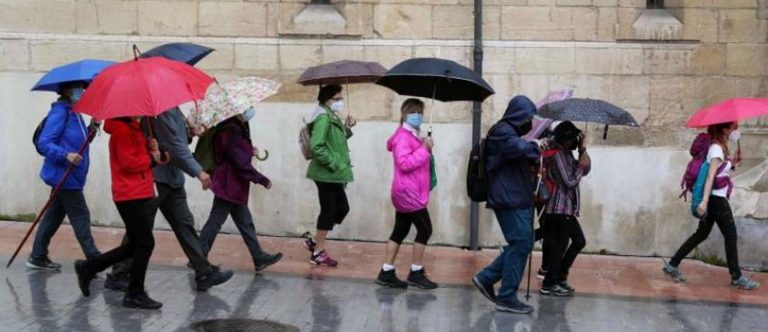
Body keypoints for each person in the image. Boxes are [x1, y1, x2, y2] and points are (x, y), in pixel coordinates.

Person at [105, 107, 234, 292]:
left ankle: (203, 273)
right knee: (142, 230)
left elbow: (179, 141)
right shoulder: (160, 111)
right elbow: (174, 146)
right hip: (159, 179)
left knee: (183, 223)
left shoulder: (173, 109)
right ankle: (118, 273)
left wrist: (189, 133)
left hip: (171, 178)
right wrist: (198, 171)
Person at [74, 117, 164, 310]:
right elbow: (128, 162)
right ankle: (134, 293)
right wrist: (150, 159)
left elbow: (140, 157)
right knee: (146, 243)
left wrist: (152, 149)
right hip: (130, 194)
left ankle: (89, 267)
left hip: (140, 190)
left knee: (134, 245)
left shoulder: (135, 128)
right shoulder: (122, 131)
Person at [663, 122, 759, 290]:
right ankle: (736, 277)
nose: (734, 131)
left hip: (714, 199)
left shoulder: (718, 148)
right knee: (731, 236)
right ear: (724, 129)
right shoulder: (716, 149)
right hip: (716, 200)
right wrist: (705, 201)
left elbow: (720, 172)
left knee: (701, 234)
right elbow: (710, 177)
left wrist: (733, 163)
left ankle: (672, 264)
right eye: (732, 128)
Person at [472, 96, 543, 314]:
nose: (529, 122)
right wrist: (536, 146)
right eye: (528, 117)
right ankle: (507, 296)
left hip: (516, 196)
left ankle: (487, 278)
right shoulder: (501, 132)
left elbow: (522, 154)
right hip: (508, 198)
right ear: (518, 114)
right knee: (520, 243)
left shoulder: (510, 132)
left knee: (523, 242)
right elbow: (521, 150)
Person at [199, 110, 283, 272]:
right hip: (229, 183)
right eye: (248, 107)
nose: (250, 110)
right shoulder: (231, 129)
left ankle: (258, 257)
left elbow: (237, 153)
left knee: (245, 223)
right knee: (215, 222)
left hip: (234, 185)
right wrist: (261, 179)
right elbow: (239, 161)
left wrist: (249, 150)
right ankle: (198, 258)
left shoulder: (237, 126)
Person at [28, 82, 100, 270]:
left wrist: (93, 127)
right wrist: (65, 155)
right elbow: (44, 142)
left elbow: (82, 142)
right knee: (81, 216)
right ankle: (95, 259)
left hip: (72, 175)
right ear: (67, 91)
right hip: (65, 176)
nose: (82, 92)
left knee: (53, 217)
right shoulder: (60, 112)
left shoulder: (74, 113)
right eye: (78, 89)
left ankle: (37, 256)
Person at [375, 99, 438, 290]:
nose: (418, 115)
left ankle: (386, 271)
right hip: (409, 193)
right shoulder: (403, 136)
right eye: (414, 112)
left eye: (420, 112)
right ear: (404, 114)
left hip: (407, 191)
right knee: (425, 229)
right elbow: (404, 163)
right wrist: (425, 149)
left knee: (400, 230)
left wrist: (423, 145)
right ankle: (416, 273)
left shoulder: (411, 134)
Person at [302, 84, 357, 266]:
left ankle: (315, 241)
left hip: (332, 174)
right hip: (326, 173)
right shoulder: (323, 117)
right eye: (337, 99)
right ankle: (318, 252)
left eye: (341, 98)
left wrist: (346, 128)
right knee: (329, 210)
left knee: (342, 209)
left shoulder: (331, 116)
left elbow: (335, 142)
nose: (340, 102)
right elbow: (317, 146)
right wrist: (333, 163)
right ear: (327, 100)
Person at [540, 121, 589, 297]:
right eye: (573, 138)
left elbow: (585, 169)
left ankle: (559, 277)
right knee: (558, 248)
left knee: (578, 242)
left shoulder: (567, 153)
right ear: (565, 139)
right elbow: (569, 181)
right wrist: (580, 167)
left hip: (567, 209)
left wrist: (582, 151)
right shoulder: (558, 155)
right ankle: (550, 283)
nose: (575, 140)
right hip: (559, 208)